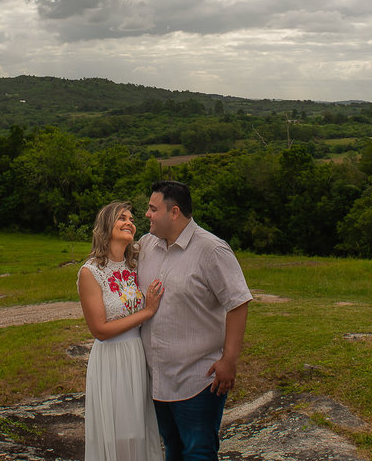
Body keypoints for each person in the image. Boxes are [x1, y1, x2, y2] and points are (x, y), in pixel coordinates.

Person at [138, 181, 252, 461]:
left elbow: (238, 303)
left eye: (153, 209)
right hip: (157, 378)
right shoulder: (146, 245)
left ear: (174, 212)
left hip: (198, 380)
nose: (147, 214)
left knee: (198, 451)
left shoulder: (212, 250)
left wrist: (229, 361)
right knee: (172, 449)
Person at [78, 201, 166, 461]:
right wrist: (147, 312)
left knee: (139, 430)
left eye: (131, 218)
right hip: (112, 360)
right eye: (121, 218)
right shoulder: (91, 272)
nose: (129, 222)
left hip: (137, 356)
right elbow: (100, 329)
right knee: (118, 433)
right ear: (106, 225)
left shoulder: (134, 265)